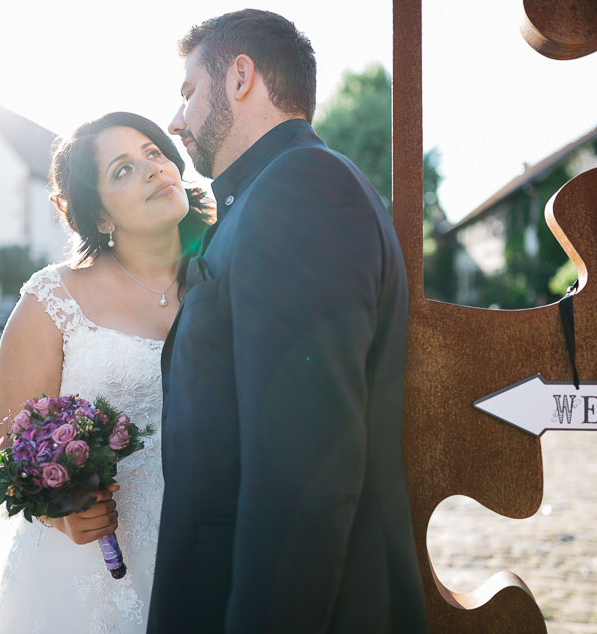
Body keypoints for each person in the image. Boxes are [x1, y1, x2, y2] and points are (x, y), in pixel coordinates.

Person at [150, 9, 429, 634]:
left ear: (240, 76)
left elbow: (304, 475)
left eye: (189, 91)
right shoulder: (266, 196)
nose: (176, 119)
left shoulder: (302, 188)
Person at [0, 112, 211, 634]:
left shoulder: (222, 275)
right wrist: (60, 512)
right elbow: (6, 445)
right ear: (101, 217)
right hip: (86, 570)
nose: (153, 169)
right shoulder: (52, 301)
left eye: (154, 153)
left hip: (206, 548)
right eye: (122, 170)